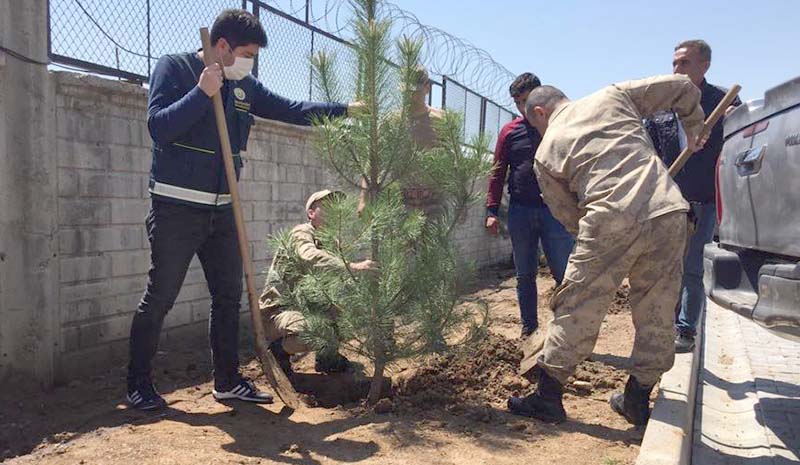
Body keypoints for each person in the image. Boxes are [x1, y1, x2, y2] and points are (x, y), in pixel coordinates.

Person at [126, 9, 362, 411]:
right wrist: (202, 92)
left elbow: (292, 108)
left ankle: (228, 381)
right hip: (177, 210)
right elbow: (159, 127)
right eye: (247, 53)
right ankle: (138, 385)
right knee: (161, 296)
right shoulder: (176, 68)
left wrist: (345, 111)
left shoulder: (243, 85)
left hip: (222, 211)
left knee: (228, 296)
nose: (250, 62)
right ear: (222, 46)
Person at [507, 75, 704, 425]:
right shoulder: (613, 97)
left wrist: (602, 245)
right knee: (657, 309)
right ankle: (638, 398)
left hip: (608, 217)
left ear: (539, 112)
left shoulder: (546, 149)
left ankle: (548, 397)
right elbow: (682, 86)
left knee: (578, 305)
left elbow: (568, 215)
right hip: (668, 210)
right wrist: (694, 127)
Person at [646, 40, 742, 353]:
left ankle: (685, 330)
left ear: (705, 66)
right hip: (668, 200)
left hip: (703, 199)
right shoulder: (663, 105)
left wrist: (733, 121)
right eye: (674, 63)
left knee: (692, 267)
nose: (677, 69)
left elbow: (739, 145)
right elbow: (650, 150)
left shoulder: (722, 102)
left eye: (684, 63)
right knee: (665, 266)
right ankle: (666, 322)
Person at [485, 73, 574, 338]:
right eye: (517, 103)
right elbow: (497, 172)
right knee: (525, 275)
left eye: (526, 100)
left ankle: (567, 332)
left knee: (565, 274)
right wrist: (491, 210)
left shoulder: (561, 129)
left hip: (555, 213)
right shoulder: (510, 132)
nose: (523, 108)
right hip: (520, 211)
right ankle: (529, 330)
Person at [259, 190, 378, 376]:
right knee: (317, 331)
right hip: (278, 311)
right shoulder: (301, 233)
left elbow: (337, 284)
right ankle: (278, 350)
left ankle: (327, 359)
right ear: (311, 213)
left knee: (345, 318)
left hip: (306, 308)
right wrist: (352, 266)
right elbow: (309, 256)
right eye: (326, 206)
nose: (333, 211)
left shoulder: (331, 243)